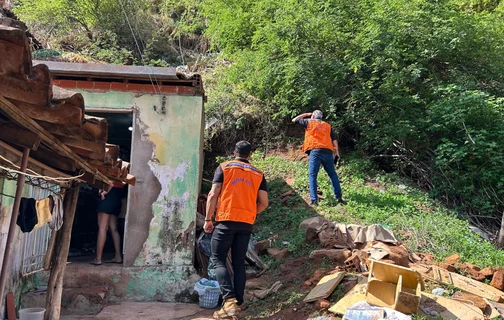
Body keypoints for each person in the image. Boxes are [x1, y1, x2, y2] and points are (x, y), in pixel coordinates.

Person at [204, 141, 269, 319]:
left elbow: (213, 194)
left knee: (218, 259)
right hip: (245, 223)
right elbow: (264, 203)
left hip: (225, 220)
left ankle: (229, 301)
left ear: (234, 153)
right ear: (250, 155)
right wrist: (248, 213)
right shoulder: (258, 173)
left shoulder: (224, 168)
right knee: (239, 263)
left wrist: (209, 219)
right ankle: (236, 305)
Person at [292, 110, 346, 206]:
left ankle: (314, 200)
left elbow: (294, 119)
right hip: (328, 152)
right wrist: (336, 152)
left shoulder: (308, 122)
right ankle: (339, 198)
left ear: (313, 116)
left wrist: (307, 114)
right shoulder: (327, 126)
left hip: (315, 151)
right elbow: (334, 139)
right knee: (332, 174)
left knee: (313, 175)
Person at [91, 182, 124, 265]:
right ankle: (118, 256)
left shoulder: (113, 169)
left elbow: (111, 182)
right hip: (117, 195)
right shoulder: (125, 171)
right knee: (113, 228)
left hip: (108, 195)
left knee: (102, 228)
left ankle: (98, 259)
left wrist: (105, 191)